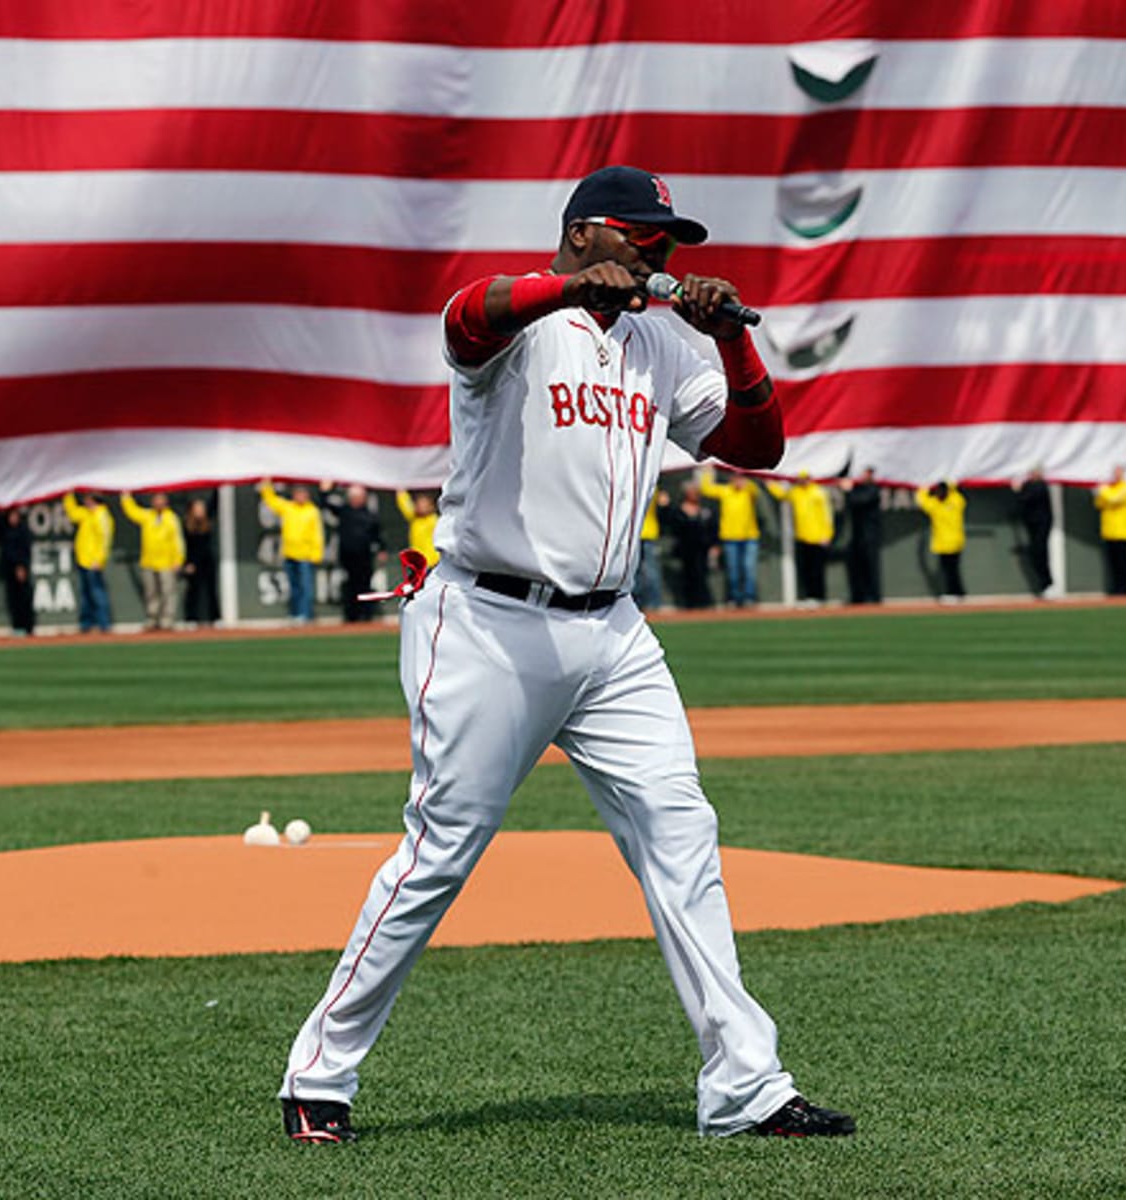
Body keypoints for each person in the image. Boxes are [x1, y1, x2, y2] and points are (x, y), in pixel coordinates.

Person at [278, 164, 854, 1144]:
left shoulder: (664, 342)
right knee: (439, 855)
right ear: (585, 233)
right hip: (488, 623)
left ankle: (748, 1088)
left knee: (683, 835)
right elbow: (467, 317)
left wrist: (731, 340)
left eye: (668, 242)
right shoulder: (522, 326)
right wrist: (569, 291)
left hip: (612, 633)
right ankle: (319, 1075)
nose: (660, 254)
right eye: (641, 236)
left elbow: (759, 450)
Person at [260, 479, 325, 623]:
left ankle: (305, 615)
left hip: (305, 556)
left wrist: (316, 554)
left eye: (303, 494)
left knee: (305, 587)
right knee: (294, 587)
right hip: (289, 554)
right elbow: (271, 500)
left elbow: (317, 534)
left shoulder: (312, 511)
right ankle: (295, 613)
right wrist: (266, 485)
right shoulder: (288, 507)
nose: (300, 496)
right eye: (298, 494)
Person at [121, 491, 186, 631]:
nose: (158, 503)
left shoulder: (171, 518)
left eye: (161, 500)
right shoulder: (148, 516)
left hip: (166, 562)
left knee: (168, 591)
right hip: (149, 561)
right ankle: (152, 618)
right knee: (151, 592)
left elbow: (178, 541)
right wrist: (125, 496)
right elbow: (132, 512)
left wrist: (178, 560)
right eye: (156, 500)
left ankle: (167, 619)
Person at [766, 471, 833, 604]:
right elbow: (781, 494)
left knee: (817, 569)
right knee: (805, 569)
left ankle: (820, 596)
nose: (803, 481)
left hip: (817, 537)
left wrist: (827, 534)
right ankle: (809, 596)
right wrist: (770, 483)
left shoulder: (818, 492)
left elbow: (827, 515)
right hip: (802, 536)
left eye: (805, 478)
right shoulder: (796, 492)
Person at [323, 483, 387, 622]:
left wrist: (382, 550)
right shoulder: (344, 512)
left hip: (364, 556)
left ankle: (366, 615)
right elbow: (325, 503)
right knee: (349, 586)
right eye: (354, 497)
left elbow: (378, 535)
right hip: (347, 556)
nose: (356, 499)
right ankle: (351, 616)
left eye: (359, 497)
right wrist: (325, 490)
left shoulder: (370, 515)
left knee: (365, 585)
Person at [699, 467, 762, 607]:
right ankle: (735, 598)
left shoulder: (749, 490)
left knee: (748, 568)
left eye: (740, 477)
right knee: (733, 570)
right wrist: (707, 472)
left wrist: (747, 480)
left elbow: (755, 490)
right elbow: (706, 489)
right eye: (735, 477)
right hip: (730, 538)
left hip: (749, 537)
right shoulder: (725, 491)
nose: (737, 480)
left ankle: (749, 598)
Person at [661, 479, 719, 609]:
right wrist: (664, 506)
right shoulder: (678, 510)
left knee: (702, 576)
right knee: (687, 576)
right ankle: (689, 604)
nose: (695, 494)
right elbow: (670, 524)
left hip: (702, 549)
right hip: (685, 549)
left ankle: (703, 603)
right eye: (692, 492)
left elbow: (713, 528)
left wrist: (715, 545)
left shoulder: (705, 510)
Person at [63, 491, 114, 632]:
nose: (85, 501)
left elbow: (105, 540)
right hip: (83, 560)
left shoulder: (101, 515)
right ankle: (86, 624)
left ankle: (104, 624)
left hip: (94, 562)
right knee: (86, 594)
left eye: (87, 499)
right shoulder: (86, 513)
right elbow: (73, 513)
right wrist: (68, 495)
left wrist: (99, 559)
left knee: (97, 593)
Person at [916, 480, 967, 602]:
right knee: (949, 570)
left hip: (953, 542)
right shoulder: (937, 504)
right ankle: (958, 592)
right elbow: (921, 499)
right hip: (944, 543)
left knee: (951, 570)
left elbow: (921, 496)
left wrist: (927, 483)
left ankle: (953, 593)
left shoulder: (954, 502)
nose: (939, 493)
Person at [1093, 466, 1126, 596]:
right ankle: (1115, 588)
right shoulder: (1110, 488)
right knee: (1112, 563)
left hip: (1123, 531)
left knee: (1123, 561)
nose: (1115, 475)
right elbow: (1099, 503)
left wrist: (1103, 490)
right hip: (1109, 531)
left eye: (1118, 472)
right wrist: (1103, 492)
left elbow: (1114, 499)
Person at [839, 467, 882, 604]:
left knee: (870, 567)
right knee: (856, 567)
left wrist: (848, 490)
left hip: (870, 536)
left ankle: (873, 597)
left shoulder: (873, 489)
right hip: (857, 536)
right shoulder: (858, 488)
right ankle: (858, 596)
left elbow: (859, 501)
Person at [1012, 468, 1053, 597]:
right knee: (1035, 553)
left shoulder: (1041, 487)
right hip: (1031, 523)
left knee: (1040, 551)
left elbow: (1027, 497)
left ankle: (1047, 584)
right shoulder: (1028, 486)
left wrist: (1018, 490)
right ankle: (1044, 584)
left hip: (1042, 523)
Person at [182, 496, 220, 626]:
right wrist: (187, 563)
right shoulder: (186, 525)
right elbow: (185, 546)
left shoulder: (207, 520)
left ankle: (215, 618)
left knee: (211, 590)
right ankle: (191, 618)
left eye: (202, 508)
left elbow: (215, 502)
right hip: (193, 562)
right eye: (197, 508)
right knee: (193, 591)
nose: (200, 510)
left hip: (207, 560)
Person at [0, 507, 35, 636]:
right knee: (12, 600)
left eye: (15, 515)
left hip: (20, 567)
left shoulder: (23, 530)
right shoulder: (6, 529)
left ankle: (28, 626)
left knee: (24, 598)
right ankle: (17, 626)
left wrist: (22, 566)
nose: (12, 519)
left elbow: (25, 550)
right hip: (9, 568)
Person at [631, 488, 664, 610]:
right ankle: (638, 602)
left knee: (651, 571)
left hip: (647, 534)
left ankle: (654, 603)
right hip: (635, 535)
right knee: (635, 572)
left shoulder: (650, 487)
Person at [395, 489, 440, 568]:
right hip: (416, 562)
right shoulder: (414, 518)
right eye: (418, 504)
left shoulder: (433, 520)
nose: (420, 507)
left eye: (424, 504)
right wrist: (400, 492)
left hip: (431, 562)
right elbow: (405, 504)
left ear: (430, 506)